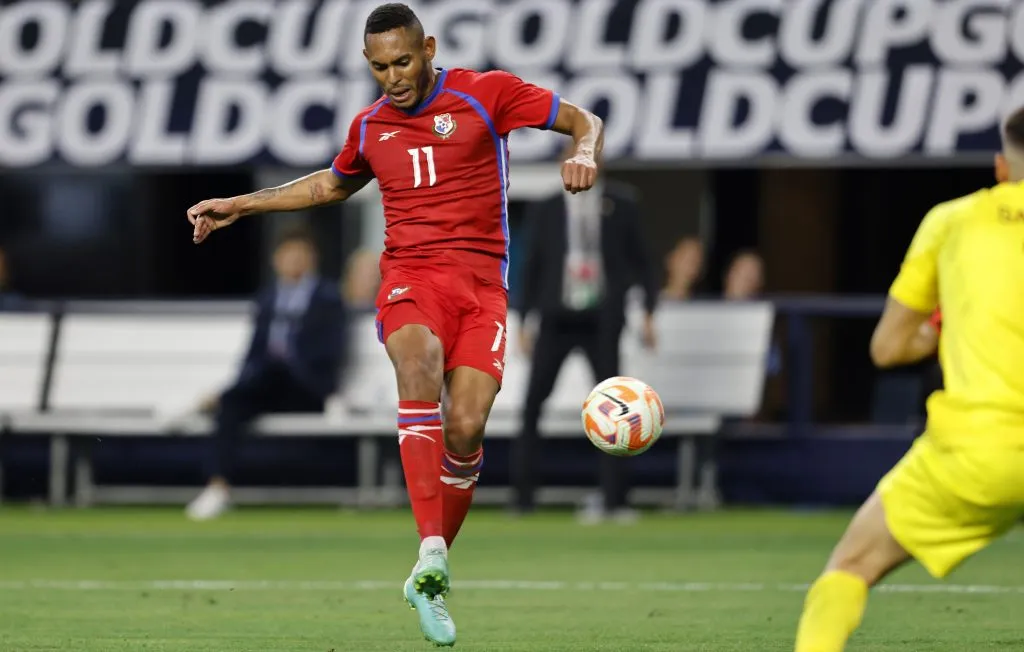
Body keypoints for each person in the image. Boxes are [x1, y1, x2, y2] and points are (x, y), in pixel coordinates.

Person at [185, 3, 603, 646]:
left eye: (403, 61)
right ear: (368, 63)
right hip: (413, 278)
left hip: (483, 289)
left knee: (467, 426)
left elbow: (583, 119)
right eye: (380, 67)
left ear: (428, 48)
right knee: (416, 362)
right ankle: (432, 546)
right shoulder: (370, 126)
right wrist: (241, 204)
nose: (393, 77)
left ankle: (427, 575)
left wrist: (585, 152)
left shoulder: (486, 94)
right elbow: (328, 186)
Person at [793, 107, 1024, 651]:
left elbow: (888, 347)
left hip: (980, 451)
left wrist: (943, 327)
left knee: (851, 565)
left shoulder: (954, 222)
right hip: (984, 446)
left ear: (1000, 168)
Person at [512, 174, 657, 522]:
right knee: (532, 404)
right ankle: (522, 498)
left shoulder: (621, 204)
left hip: (602, 319)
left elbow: (642, 260)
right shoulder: (547, 207)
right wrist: (523, 320)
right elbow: (533, 263)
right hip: (556, 316)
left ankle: (615, 500)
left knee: (617, 407)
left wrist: (648, 311)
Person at [186, 226, 346, 520]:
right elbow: (254, 352)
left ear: (312, 258)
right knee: (233, 403)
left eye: (300, 254)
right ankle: (217, 487)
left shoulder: (328, 298)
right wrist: (242, 382)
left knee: (274, 367)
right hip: (267, 386)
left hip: (306, 387)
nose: (294, 260)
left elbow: (331, 352)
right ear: (276, 259)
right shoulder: (268, 298)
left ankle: (206, 401)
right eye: (288, 254)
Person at [660, 236, 705, 300]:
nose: (691, 264)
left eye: (695, 259)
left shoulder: (702, 304)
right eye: (685, 256)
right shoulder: (652, 301)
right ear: (670, 259)